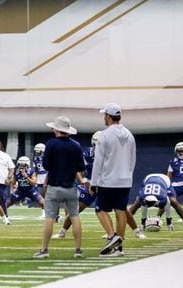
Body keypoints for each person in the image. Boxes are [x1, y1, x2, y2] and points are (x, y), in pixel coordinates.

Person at [33, 116, 85, 259]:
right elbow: (81, 167)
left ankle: (44, 250)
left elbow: (46, 165)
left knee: (49, 217)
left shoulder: (51, 144)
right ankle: (78, 250)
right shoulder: (76, 145)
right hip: (70, 187)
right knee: (74, 216)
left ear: (56, 129)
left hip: (54, 187)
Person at [90, 103, 136, 257]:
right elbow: (133, 159)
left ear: (109, 116)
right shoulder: (129, 135)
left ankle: (112, 237)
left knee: (100, 209)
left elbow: (98, 161)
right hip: (125, 180)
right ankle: (119, 247)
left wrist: (93, 182)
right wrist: (128, 176)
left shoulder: (104, 135)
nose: (104, 117)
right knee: (121, 211)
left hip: (108, 180)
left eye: (105, 115)